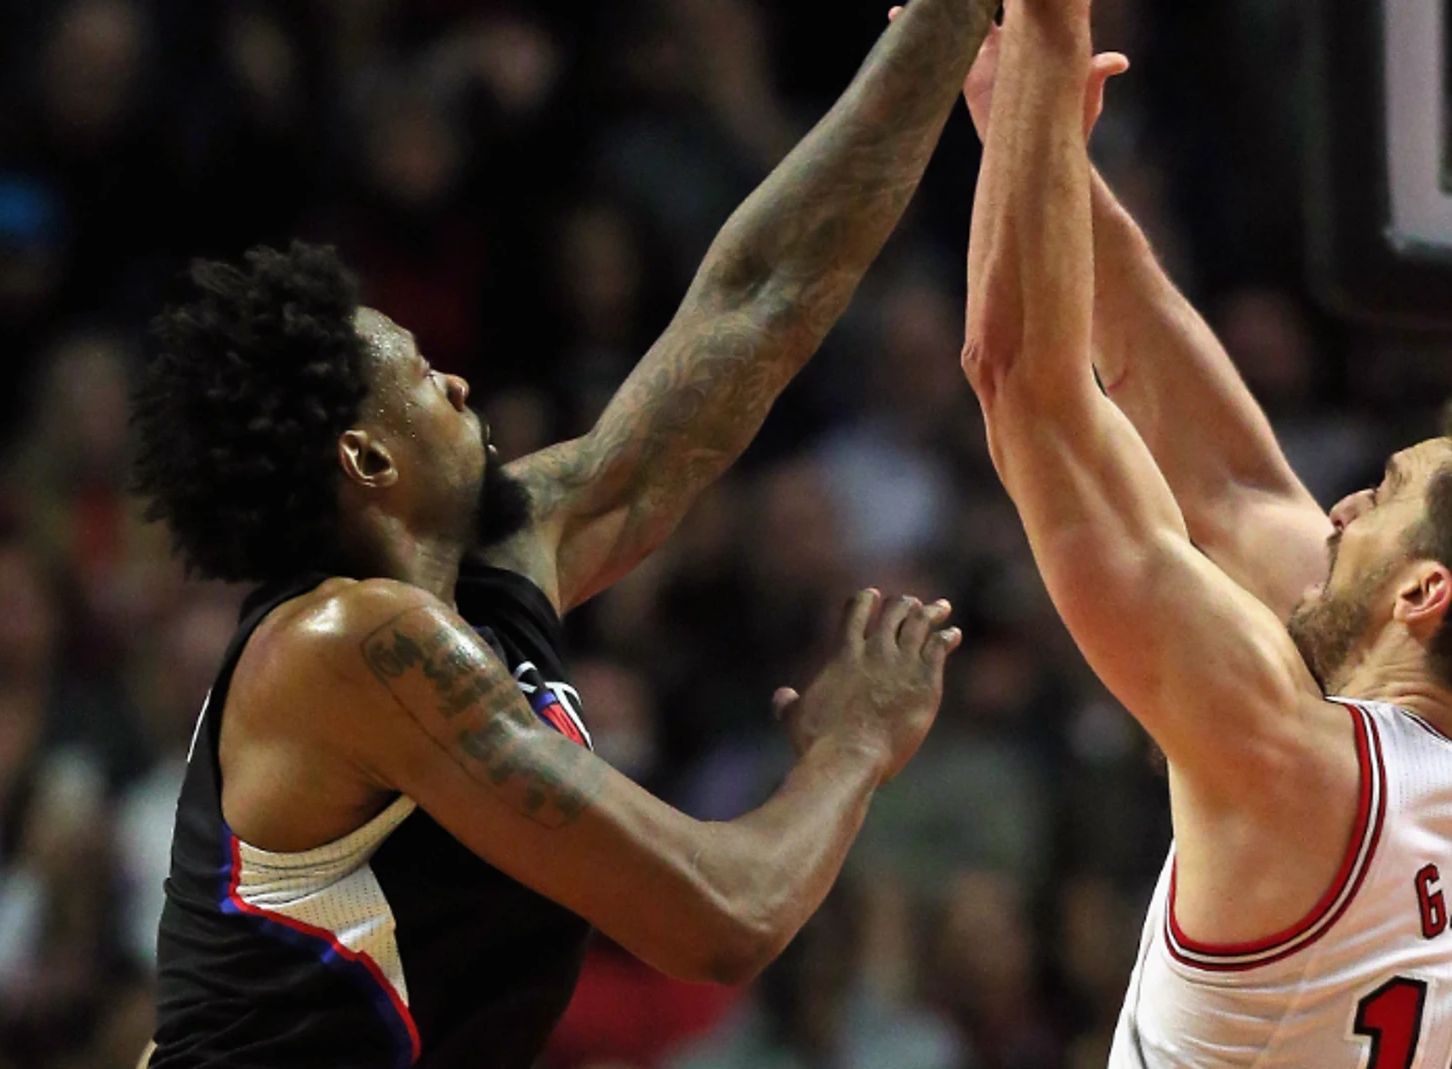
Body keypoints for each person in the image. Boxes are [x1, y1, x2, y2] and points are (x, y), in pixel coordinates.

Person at [130, 0, 1000, 1063]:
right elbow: (724, 914)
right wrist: (853, 748)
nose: (456, 380)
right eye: (421, 376)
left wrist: (948, 24)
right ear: (367, 461)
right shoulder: (344, 648)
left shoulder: (492, 560)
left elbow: (758, 299)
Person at [960, 1, 1452, 1065]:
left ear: (1424, 594)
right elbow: (1230, 485)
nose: (1339, 510)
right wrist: (1043, 157)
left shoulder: (1286, 764)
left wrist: (1047, 39)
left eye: (1383, 493)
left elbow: (1025, 390)